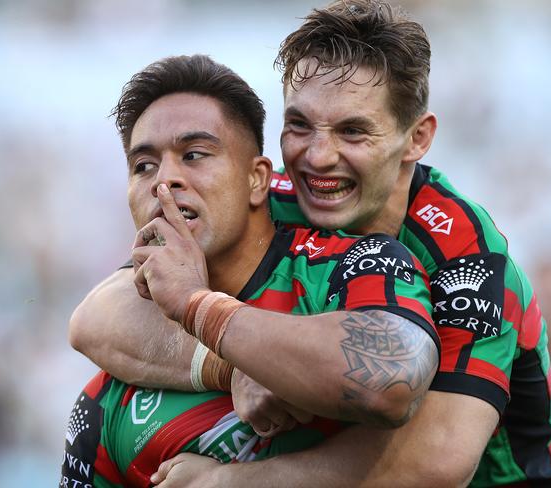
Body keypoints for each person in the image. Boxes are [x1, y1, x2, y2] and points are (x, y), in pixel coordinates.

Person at [70, 1, 551, 486]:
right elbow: (96, 318)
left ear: (417, 138)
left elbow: (437, 461)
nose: (317, 157)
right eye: (299, 125)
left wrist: (233, 481)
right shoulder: (266, 196)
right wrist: (234, 364)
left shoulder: (466, 254)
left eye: (353, 132)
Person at [60, 54, 439, 487]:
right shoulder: (111, 397)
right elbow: (86, 321)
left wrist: (197, 306)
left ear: (258, 180)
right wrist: (231, 364)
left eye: (195, 154)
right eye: (143, 166)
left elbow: (392, 383)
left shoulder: (357, 266)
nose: (163, 182)